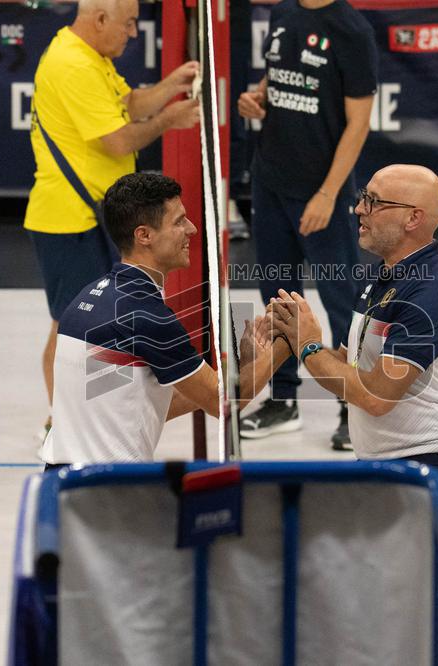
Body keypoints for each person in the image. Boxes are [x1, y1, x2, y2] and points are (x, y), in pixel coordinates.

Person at [25, 0, 201, 437]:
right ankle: (60, 423)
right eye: (127, 24)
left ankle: (77, 416)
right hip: (71, 220)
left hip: (91, 216)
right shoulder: (72, 64)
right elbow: (119, 139)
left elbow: (128, 103)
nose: (132, 33)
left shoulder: (89, 55)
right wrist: (169, 119)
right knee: (70, 328)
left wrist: (171, 85)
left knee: (92, 323)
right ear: (99, 20)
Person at [39, 173, 292, 467]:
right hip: (108, 493)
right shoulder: (146, 315)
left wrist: (246, 366)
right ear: (144, 235)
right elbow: (221, 403)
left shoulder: (91, 297)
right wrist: (287, 344)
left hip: (61, 481)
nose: (192, 229)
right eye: (179, 221)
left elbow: (147, 403)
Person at [268, 165, 438, 510]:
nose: (359, 209)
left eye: (374, 201)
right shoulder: (380, 277)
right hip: (388, 463)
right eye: (363, 197)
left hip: (427, 467)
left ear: (413, 218)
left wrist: (309, 347)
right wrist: (296, 334)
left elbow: (376, 396)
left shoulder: (432, 290)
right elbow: (353, 370)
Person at [236, 0, 378, 450]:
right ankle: (283, 400)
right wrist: (257, 98)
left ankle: (350, 405)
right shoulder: (283, 13)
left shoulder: (351, 29)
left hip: (322, 192)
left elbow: (358, 124)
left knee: (342, 300)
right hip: (271, 180)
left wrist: (327, 194)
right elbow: (277, 77)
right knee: (277, 293)